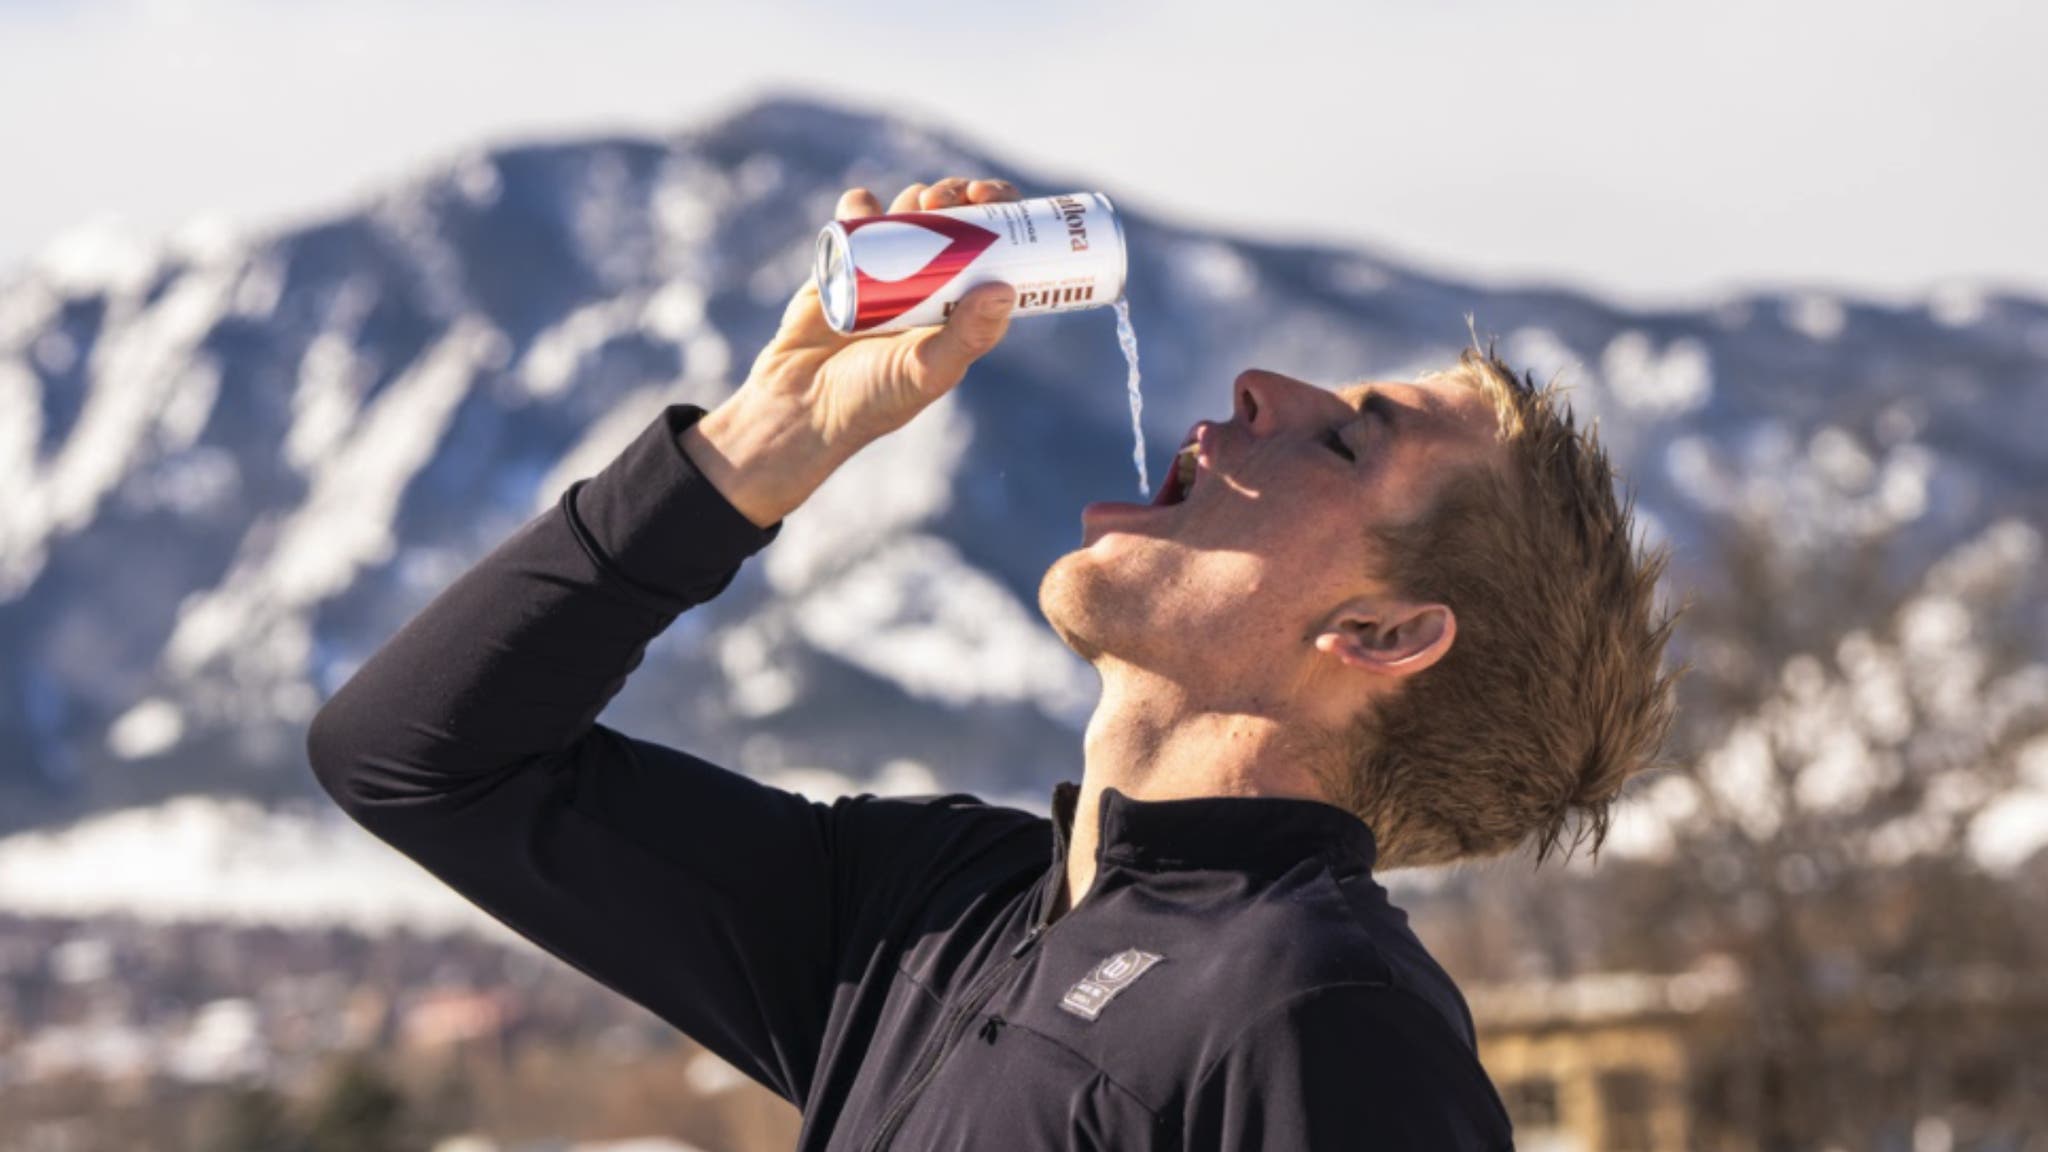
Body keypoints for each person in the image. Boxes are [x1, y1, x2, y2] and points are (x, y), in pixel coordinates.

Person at [309, 176, 1677, 1150]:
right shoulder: (925, 918)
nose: (1264, 384)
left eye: (1344, 442)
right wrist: (756, 448)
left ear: (1379, 635)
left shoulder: (1318, 1011)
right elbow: (421, 758)